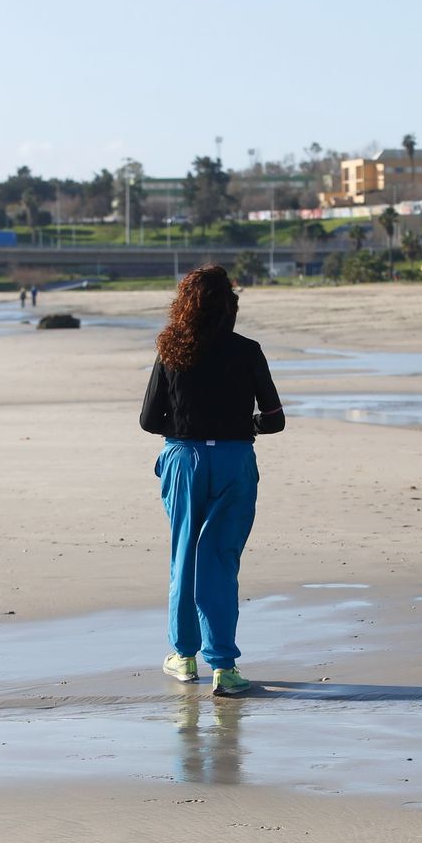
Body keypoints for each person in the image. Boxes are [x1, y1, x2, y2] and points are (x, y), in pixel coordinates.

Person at [140, 264, 284, 696]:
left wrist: (187, 421)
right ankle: (224, 666)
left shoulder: (171, 350)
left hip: (184, 459)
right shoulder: (248, 350)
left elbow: (149, 420)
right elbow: (274, 421)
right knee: (221, 559)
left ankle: (183, 658)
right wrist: (245, 424)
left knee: (184, 554)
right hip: (235, 461)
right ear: (230, 306)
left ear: (183, 306)